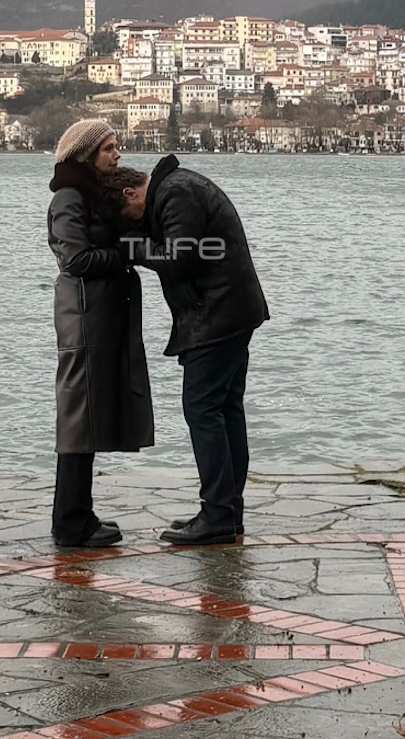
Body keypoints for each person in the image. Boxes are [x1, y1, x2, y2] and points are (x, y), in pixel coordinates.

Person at [101, 156, 268, 546]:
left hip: (217, 316)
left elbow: (180, 258)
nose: (134, 223)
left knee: (204, 410)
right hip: (228, 311)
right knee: (225, 409)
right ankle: (225, 512)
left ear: (131, 192)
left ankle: (218, 514)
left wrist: (132, 247)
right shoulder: (178, 188)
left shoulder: (175, 193)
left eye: (130, 215)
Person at [46, 120, 154, 547]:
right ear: (86, 154)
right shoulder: (70, 197)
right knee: (78, 421)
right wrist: (123, 254)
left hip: (96, 316)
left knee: (85, 420)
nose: (117, 154)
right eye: (109, 148)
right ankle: (71, 522)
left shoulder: (91, 195)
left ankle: (78, 515)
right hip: (84, 318)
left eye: (117, 146)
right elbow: (74, 258)